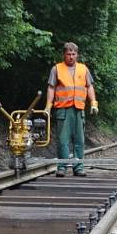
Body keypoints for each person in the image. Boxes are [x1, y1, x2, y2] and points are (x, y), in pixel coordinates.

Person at [44, 42, 98, 177]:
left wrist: (93, 103)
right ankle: (61, 167)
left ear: (77, 55)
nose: (71, 57)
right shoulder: (56, 69)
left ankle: (78, 167)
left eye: (73, 54)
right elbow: (51, 88)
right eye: (68, 54)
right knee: (63, 140)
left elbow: (89, 86)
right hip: (63, 109)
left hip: (79, 109)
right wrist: (48, 107)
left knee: (79, 140)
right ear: (64, 54)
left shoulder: (83, 69)